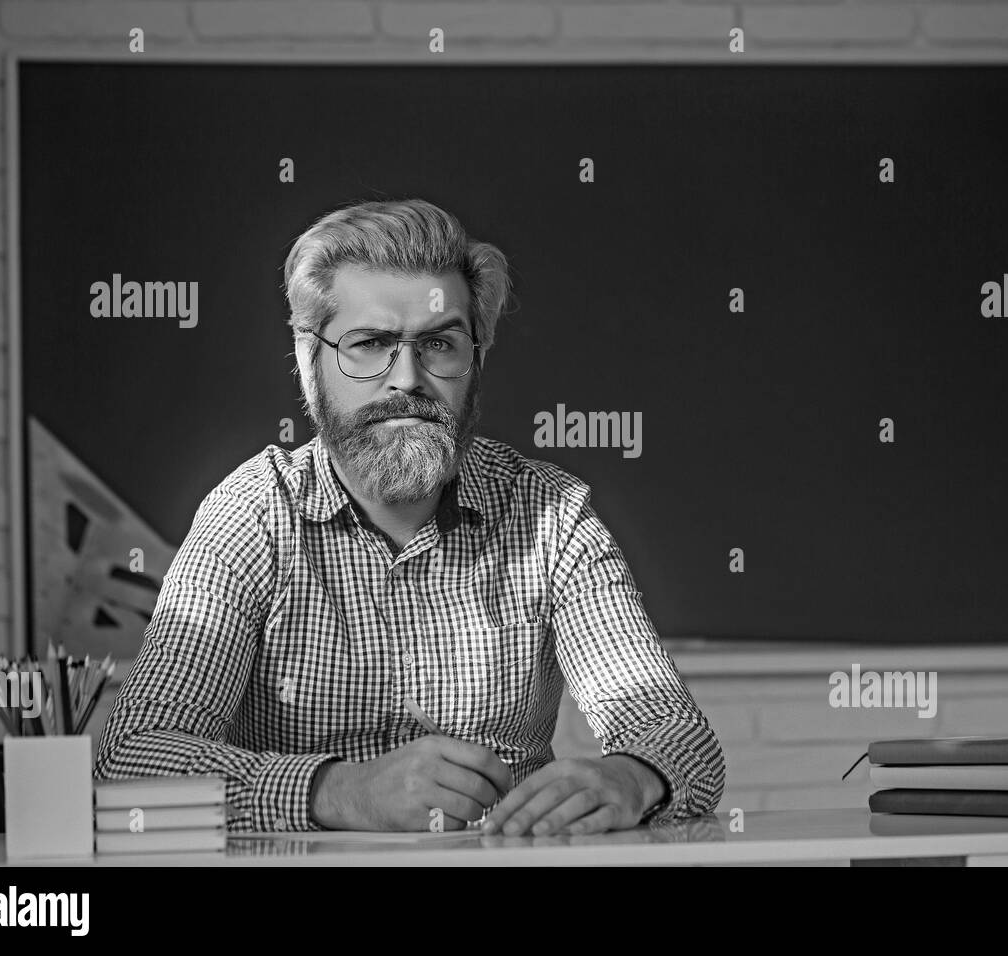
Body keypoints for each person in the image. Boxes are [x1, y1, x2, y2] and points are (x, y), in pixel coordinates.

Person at [94, 198, 725, 835]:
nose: (408, 379)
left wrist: (632, 776)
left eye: (439, 344)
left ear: (475, 359)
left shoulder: (552, 515)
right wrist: (340, 791)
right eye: (369, 344)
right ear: (309, 362)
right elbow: (128, 761)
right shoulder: (253, 515)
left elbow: (675, 732)